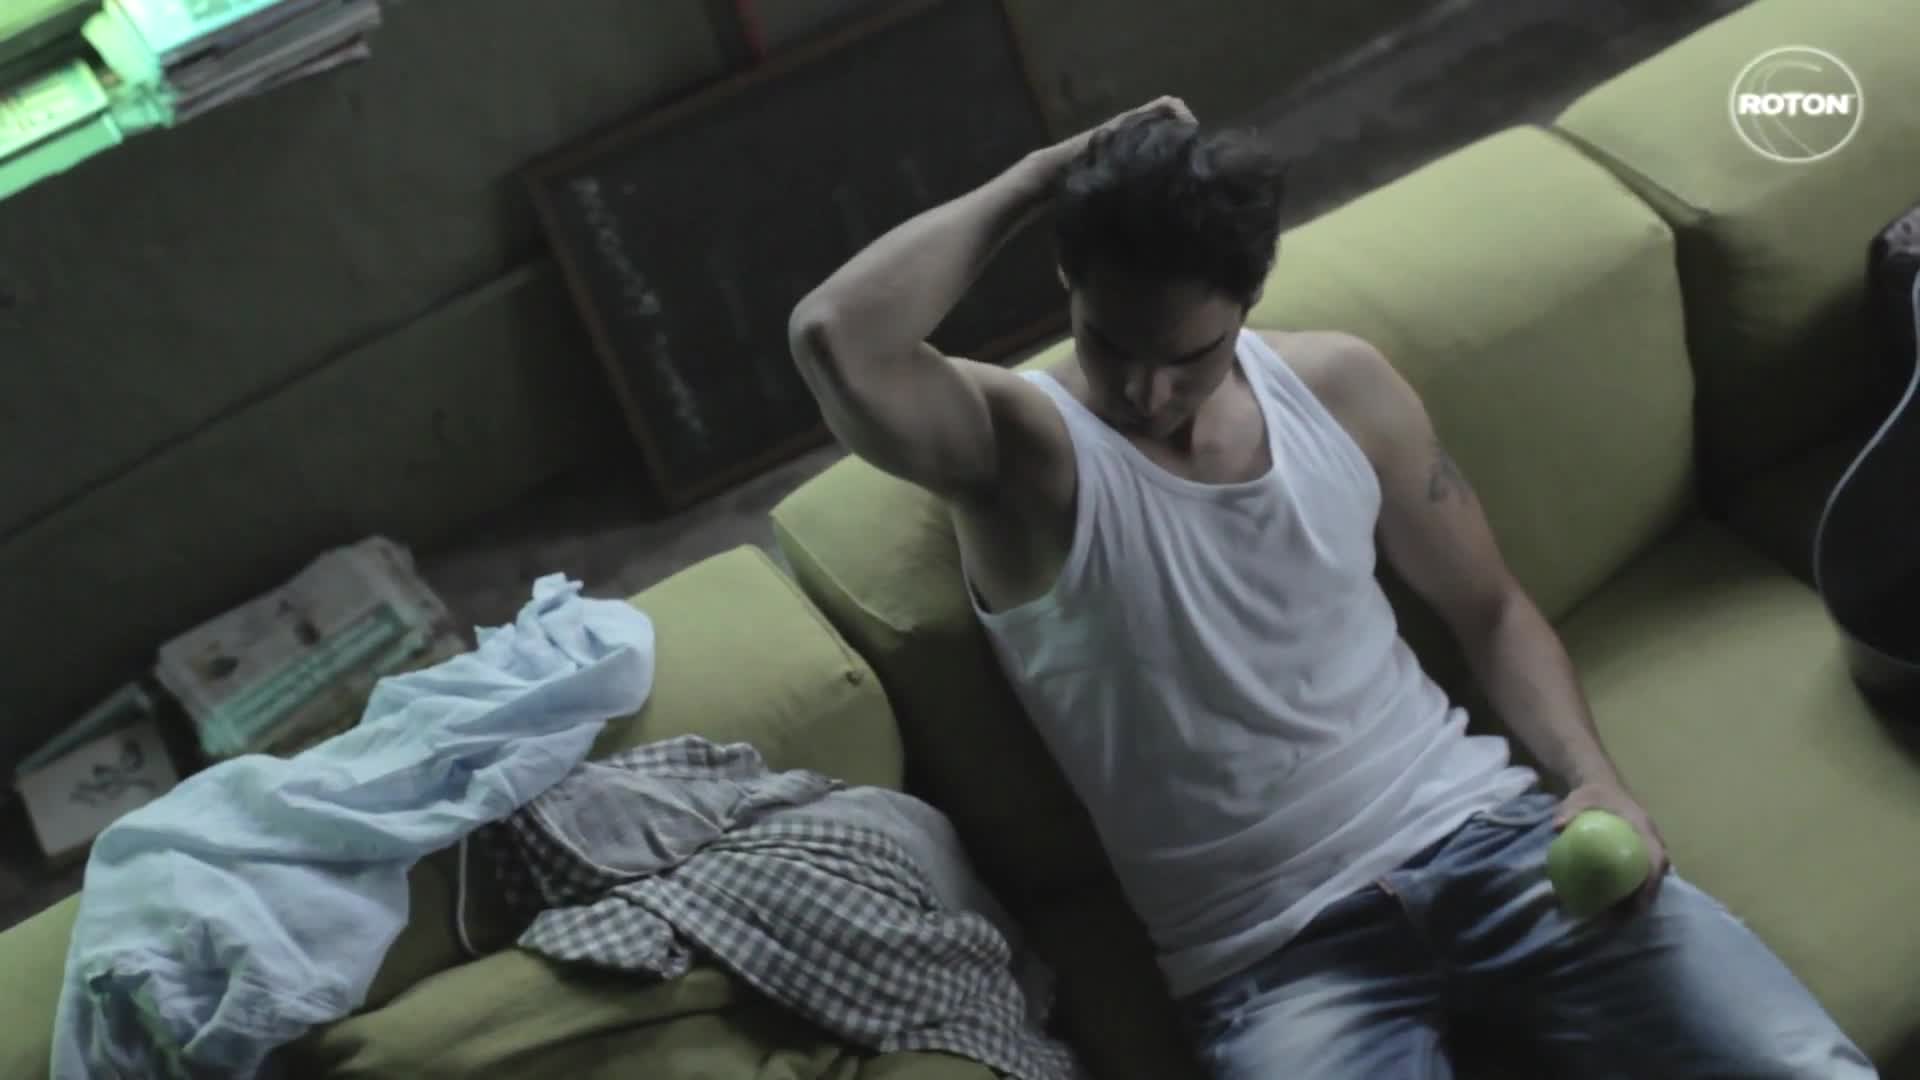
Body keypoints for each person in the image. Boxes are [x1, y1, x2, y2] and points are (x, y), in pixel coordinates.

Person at [786, 97, 1875, 1079]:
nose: (1145, 392)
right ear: (1068, 281)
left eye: (1191, 356)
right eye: (1110, 345)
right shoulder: (1023, 452)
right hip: (1276, 965)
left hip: (1491, 843)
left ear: (1248, 300)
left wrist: (1595, 781)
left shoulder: (1343, 389)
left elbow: (1490, 609)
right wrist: (1044, 176)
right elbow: (838, 337)